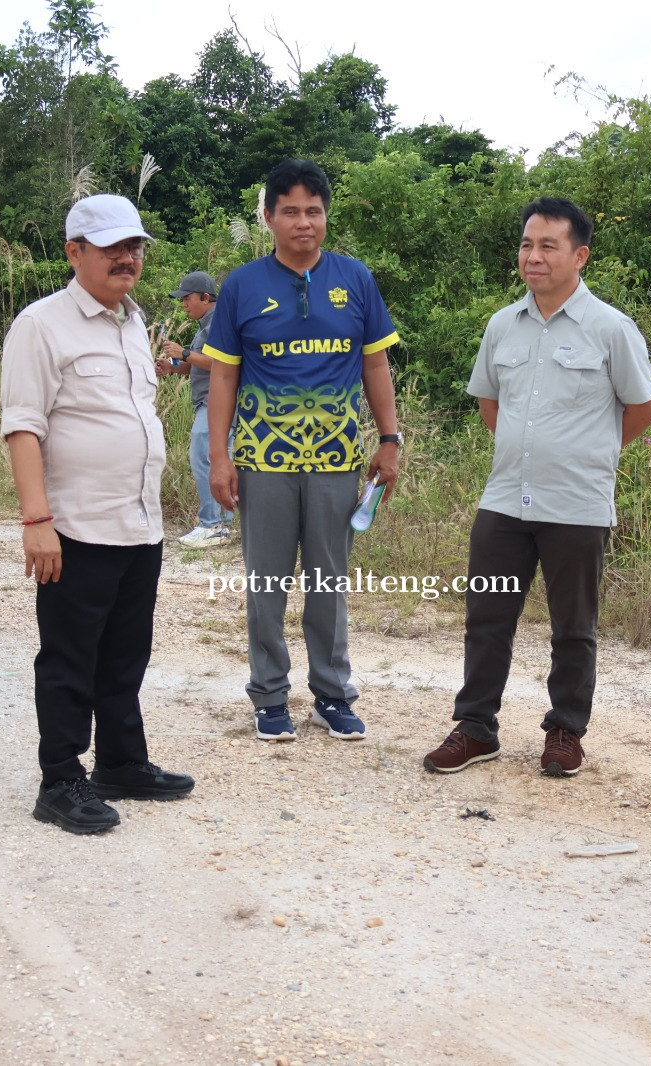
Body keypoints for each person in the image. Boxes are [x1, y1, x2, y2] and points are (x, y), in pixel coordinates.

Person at [422, 197, 651, 778]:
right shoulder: (503, 325)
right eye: (528, 244)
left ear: (579, 255)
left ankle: (564, 731)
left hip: (576, 506)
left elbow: (643, 409)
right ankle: (476, 728)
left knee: (573, 627)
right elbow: (488, 400)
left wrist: (588, 454)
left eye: (548, 246)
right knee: (487, 618)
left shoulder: (610, 328)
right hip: (504, 500)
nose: (534, 256)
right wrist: (526, 452)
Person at [0, 193, 194, 836]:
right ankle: (60, 779)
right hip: (75, 526)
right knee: (69, 658)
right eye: (111, 247)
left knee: (125, 653)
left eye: (134, 246)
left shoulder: (133, 323)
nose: (127, 257)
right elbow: (23, 428)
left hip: (138, 522)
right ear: (74, 252)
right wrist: (36, 521)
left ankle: (120, 762)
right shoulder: (41, 324)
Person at [203, 158, 402, 744]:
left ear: (325, 215)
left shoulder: (355, 279)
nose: (303, 222)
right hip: (263, 461)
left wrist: (389, 440)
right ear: (268, 217)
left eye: (313, 210)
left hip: (338, 460)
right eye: (289, 210)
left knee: (329, 583)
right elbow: (222, 380)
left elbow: (375, 363)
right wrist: (220, 457)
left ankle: (332, 695)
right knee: (265, 584)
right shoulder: (242, 285)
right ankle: (268, 696)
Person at [155, 270, 234, 547]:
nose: (183, 304)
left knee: (204, 457)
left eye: (186, 298)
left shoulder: (220, 324)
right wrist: (175, 366)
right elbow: (202, 363)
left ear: (205, 296)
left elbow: (223, 364)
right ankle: (221, 526)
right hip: (208, 401)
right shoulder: (205, 326)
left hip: (217, 404)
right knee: (214, 459)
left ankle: (212, 525)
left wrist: (185, 353)